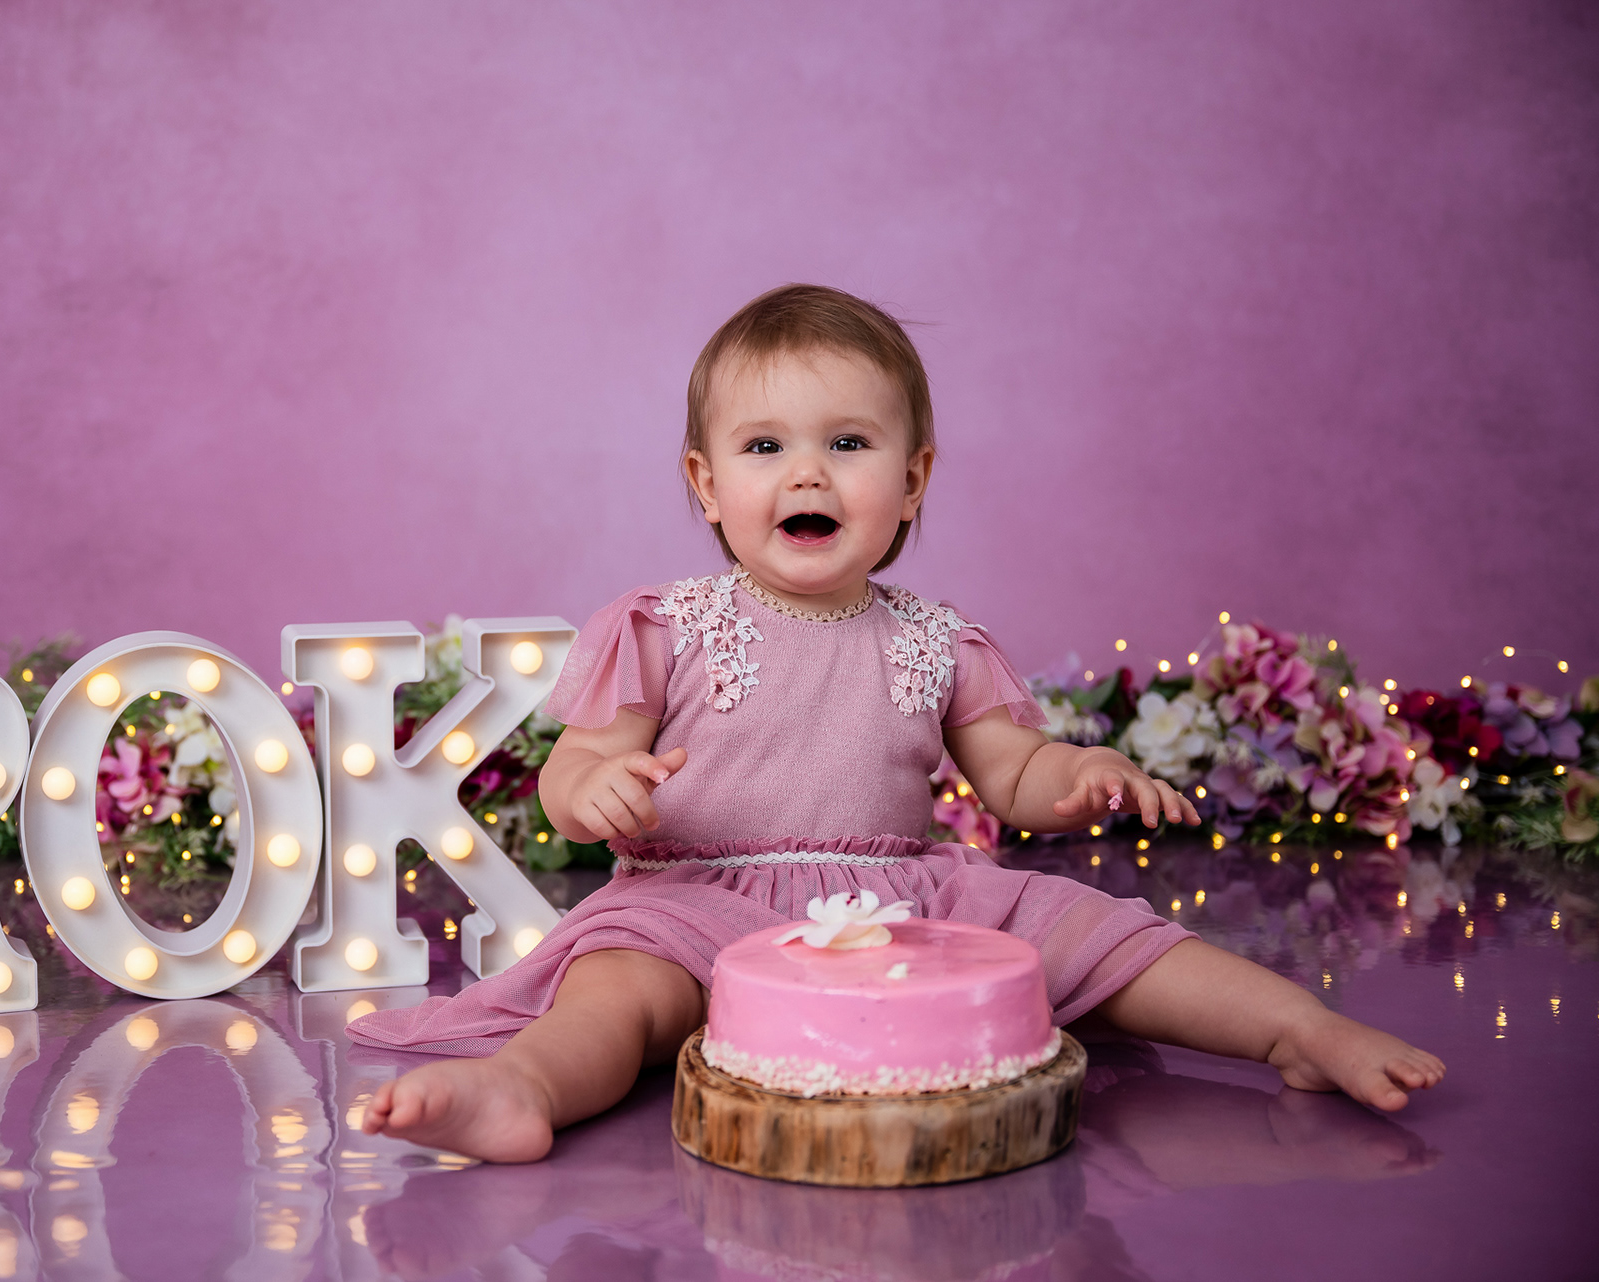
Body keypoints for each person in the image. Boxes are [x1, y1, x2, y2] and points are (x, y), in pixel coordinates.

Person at [348, 284, 1445, 1162]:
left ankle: (1298, 1028)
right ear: (706, 482)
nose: (808, 472)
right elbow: (577, 764)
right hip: (694, 901)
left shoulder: (937, 638)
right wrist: (592, 789)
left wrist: (1074, 775)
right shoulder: (665, 625)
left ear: (913, 480)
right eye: (764, 448)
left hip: (903, 900)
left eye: (849, 444)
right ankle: (523, 1090)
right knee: (617, 993)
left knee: (1097, 934)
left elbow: (1013, 773)